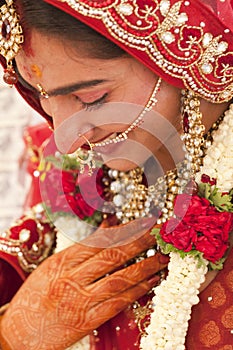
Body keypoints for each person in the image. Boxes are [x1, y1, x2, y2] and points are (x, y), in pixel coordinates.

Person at [0, 0, 233, 349]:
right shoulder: (70, 176)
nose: (64, 141)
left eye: (90, 97)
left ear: (183, 58)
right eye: (43, 97)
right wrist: (13, 336)